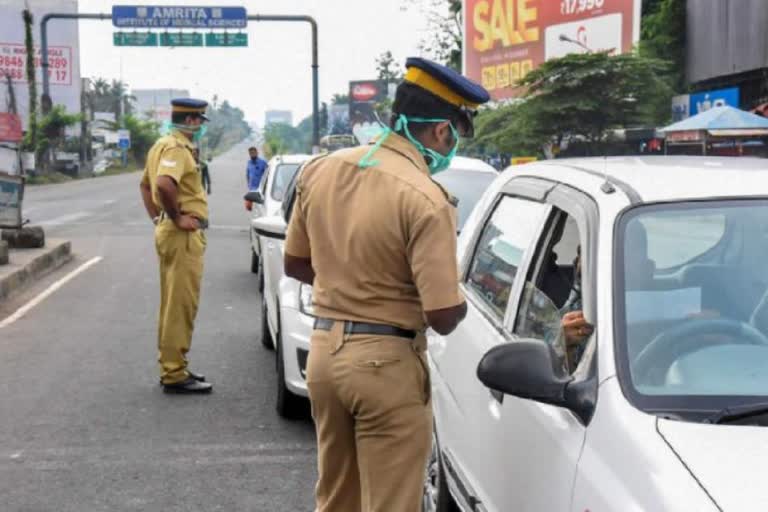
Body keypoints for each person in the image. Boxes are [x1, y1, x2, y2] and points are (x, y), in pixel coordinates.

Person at [283, 57, 490, 512]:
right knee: (391, 503)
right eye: (456, 134)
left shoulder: (322, 170)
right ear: (441, 131)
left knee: (337, 498)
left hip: (324, 355)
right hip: (386, 367)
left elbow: (296, 262)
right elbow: (441, 315)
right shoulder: (427, 198)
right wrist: (463, 299)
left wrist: (351, 284)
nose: (451, 146)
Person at [139, 98, 212, 394]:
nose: (200, 127)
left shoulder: (161, 145)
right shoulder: (176, 148)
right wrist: (176, 218)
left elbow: (145, 185)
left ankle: (173, 365)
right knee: (180, 304)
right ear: (192, 121)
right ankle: (174, 373)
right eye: (200, 121)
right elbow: (163, 185)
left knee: (173, 302)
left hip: (171, 231)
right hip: (181, 236)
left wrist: (158, 218)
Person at [245, 146, 267, 211]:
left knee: (261, 208)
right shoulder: (249, 163)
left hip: (261, 189)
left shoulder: (263, 163)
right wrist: (248, 184)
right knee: (248, 207)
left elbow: (268, 173)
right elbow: (247, 174)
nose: (252, 154)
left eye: (253, 153)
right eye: (250, 153)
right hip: (252, 189)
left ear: (257, 153)